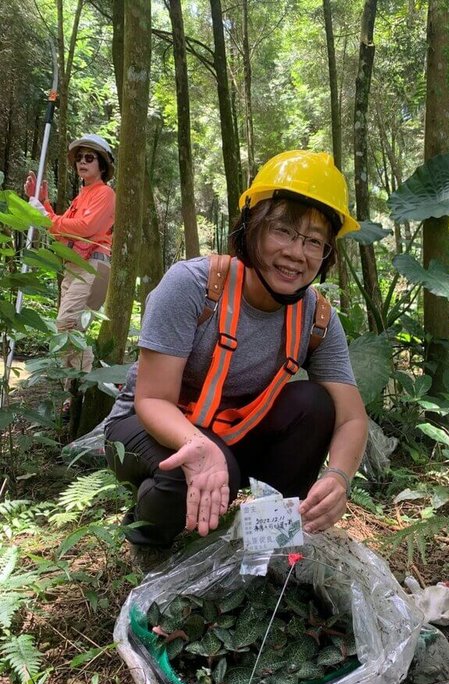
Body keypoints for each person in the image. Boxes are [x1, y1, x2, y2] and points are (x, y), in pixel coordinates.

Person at [104, 150, 368, 569]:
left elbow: (352, 417)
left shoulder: (316, 318)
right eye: (283, 230)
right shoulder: (192, 285)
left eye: (314, 241)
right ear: (251, 229)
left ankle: (268, 542)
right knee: (193, 463)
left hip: (231, 433)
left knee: (316, 404)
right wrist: (199, 447)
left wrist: (339, 476)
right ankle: (150, 539)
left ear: (326, 255)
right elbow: (152, 399)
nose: (297, 253)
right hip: (144, 425)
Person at [25, 134, 116, 404]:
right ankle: (73, 395)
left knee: (67, 325)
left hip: (93, 264)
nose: (82, 162)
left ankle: (86, 392)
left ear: (102, 165)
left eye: (89, 158)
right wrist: (44, 206)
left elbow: (85, 228)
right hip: (76, 266)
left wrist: (47, 215)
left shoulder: (104, 193)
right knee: (71, 330)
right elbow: (62, 231)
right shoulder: (82, 196)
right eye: (79, 158)